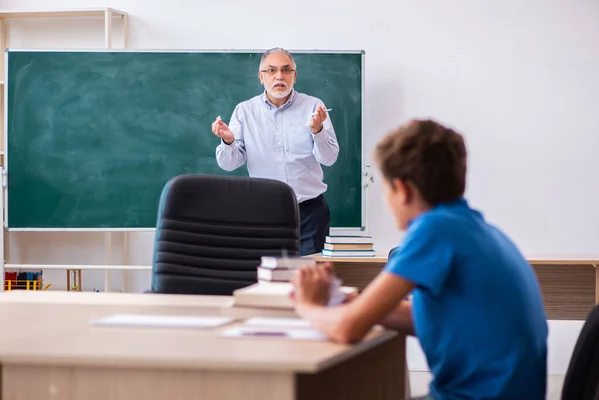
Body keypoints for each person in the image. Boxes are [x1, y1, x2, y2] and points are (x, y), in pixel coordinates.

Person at [291, 119, 548, 399]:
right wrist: (355, 303)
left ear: (402, 190)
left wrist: (307, 306)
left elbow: (347, 329)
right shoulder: (476, 228)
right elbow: (430, 317)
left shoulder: (434, 229)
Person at [211, 47, 339, 256]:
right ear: (261, 77)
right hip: (263, 211)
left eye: (286, 70)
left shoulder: (314, 107)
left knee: (309, 278)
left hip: (309, 213)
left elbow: (330, 158)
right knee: (265, 278)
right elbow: (228, 164)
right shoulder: (245, 111)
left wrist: (318, 130)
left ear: (294, 76)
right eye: (271, 70)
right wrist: (228, 141)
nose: (279, 76)